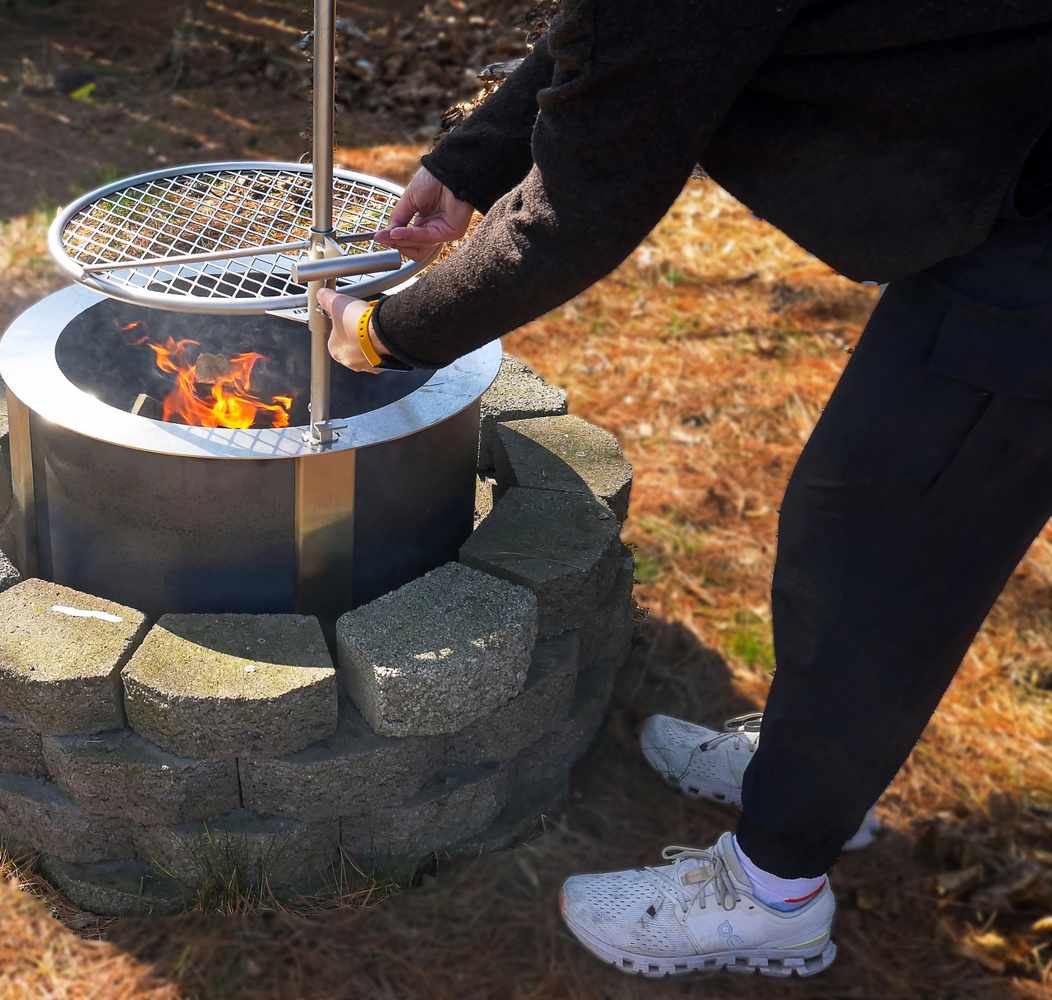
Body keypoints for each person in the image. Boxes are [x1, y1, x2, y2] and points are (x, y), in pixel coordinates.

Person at [315, 0, 1052, 979]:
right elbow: (621, 41)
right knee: (860, 524)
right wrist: (468, 164)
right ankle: (804, 769)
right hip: (1008, 172)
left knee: (880, 557)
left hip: (1034, 229)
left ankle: (774, 893)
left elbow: (581, 204)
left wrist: (386, 334)